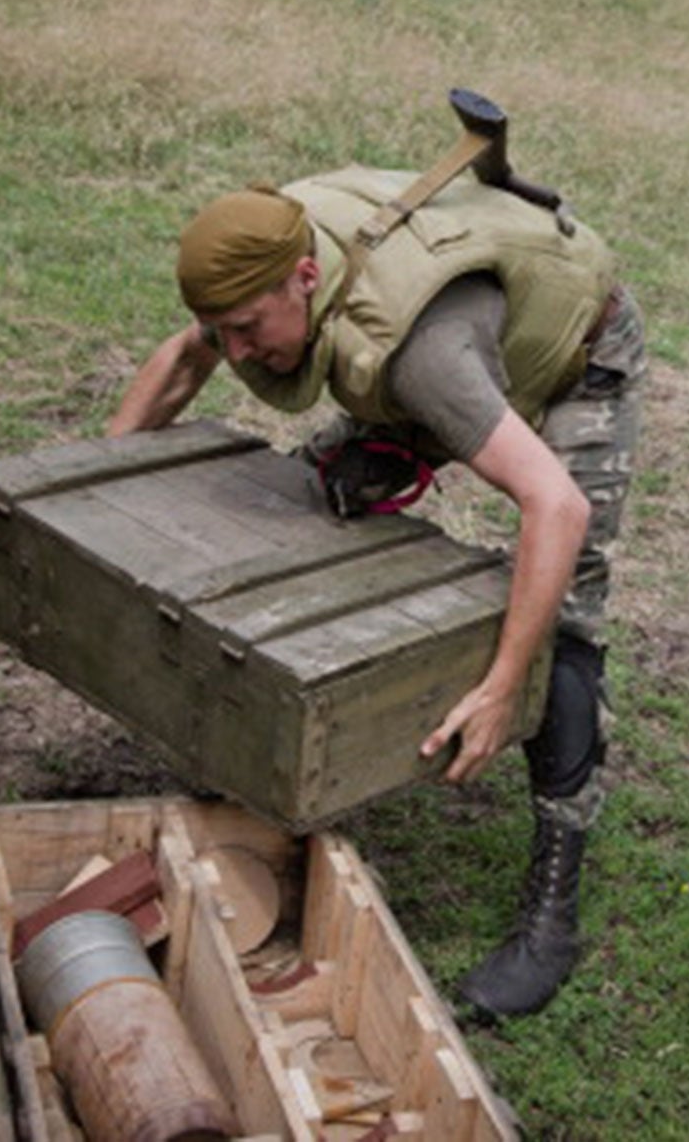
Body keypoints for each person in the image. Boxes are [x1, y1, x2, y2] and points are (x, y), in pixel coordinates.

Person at [109, 157, 645, 1020]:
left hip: (576, 350)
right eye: (227, 332)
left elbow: (558, 505)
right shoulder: (261, 272)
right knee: (299, 499)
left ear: (308, 279)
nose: (237, 352)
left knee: (561, 628)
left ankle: (552, 908)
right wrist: (76, 490)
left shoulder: (423, 360)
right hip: (436, 346)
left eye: (247, 330)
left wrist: (503, 688)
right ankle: (278, 751)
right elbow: (183, 358)